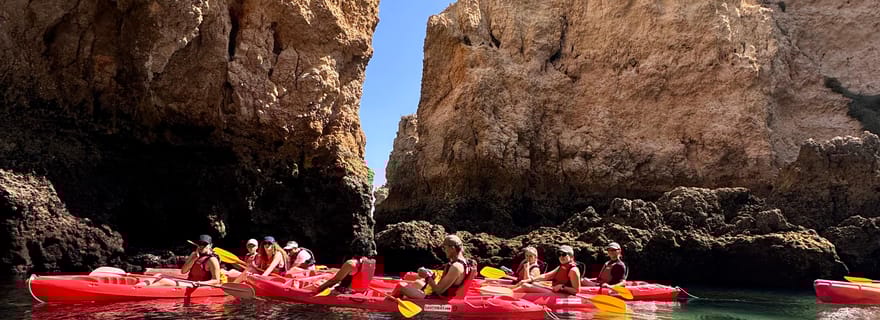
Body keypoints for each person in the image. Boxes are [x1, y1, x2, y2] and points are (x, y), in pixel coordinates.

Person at [392, 235, 475, 299]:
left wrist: (428, 277)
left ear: (452, 248)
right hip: (441, 296)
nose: (444, 251)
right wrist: (432, 276)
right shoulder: (465, 262)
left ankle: (387, 302)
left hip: (438, 299)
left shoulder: (456, 267)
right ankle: (404, 298)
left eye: (445, 248)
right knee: (418, 282)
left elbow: (439, 291)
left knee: (401, 287)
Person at [142, 234, 224, 287]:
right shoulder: (193, 254)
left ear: (210, 245)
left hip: (199, 285)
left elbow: (216, 280)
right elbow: (183, 271)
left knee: (163, 281)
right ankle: (138, 287)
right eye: (200, 243)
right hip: (189, 282)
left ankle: (142, 291)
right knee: (158, 276)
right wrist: (194, 258)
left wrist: (201, 283)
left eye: (204, 244)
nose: (201, 246)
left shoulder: (212, 260)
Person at [311, 237, 377, 295]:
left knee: (317, 284)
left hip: (347, 292)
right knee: (324, 282)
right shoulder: (368, 262)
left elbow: (334, 280)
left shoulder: (350, 263)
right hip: (360, 290)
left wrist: (317, 290)